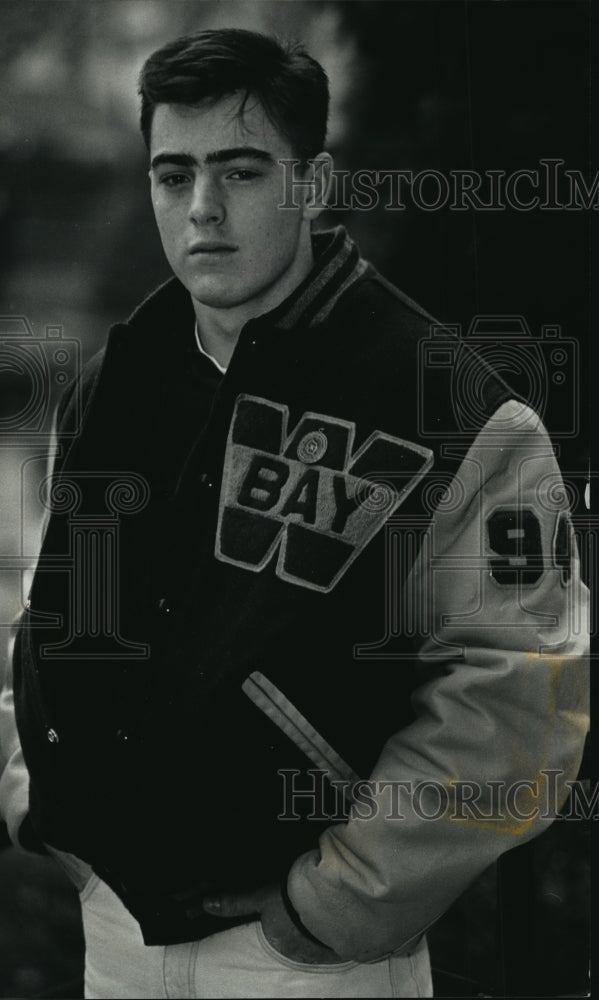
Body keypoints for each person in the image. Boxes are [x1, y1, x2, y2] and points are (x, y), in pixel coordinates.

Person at [0, 27, 589, 999]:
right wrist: (38, 798)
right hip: (114, 931)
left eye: (239, 171)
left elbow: (514, 701)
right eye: (171, 173)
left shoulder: (451, 408)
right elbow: (56, 618)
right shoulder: (115, 383)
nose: (201, 210)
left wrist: (334, 908)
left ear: (314, 184)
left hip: (305, 953)